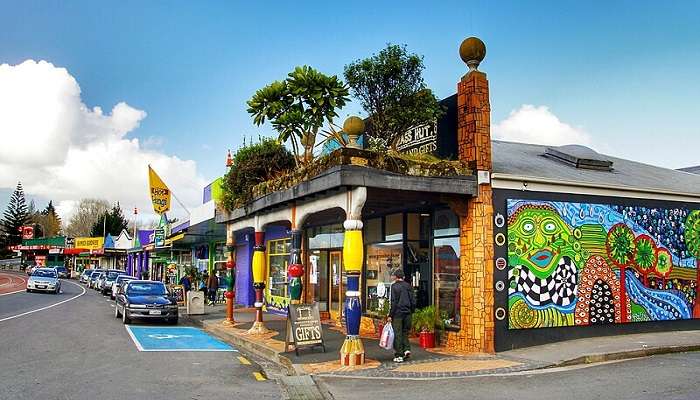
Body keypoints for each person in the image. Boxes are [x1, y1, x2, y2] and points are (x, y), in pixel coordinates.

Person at [387, 268, 415, 363]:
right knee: (405, 332)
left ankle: (399, 355)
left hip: (398, 314)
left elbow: (393, 302)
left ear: (395, 277)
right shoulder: (409, 286)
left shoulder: (394, 287)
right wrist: (412, 311)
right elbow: (413, 301)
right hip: (408, 313)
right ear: (403, 277)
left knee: (397, 334)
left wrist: (390, 314)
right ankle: (406, 349)